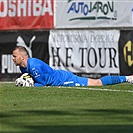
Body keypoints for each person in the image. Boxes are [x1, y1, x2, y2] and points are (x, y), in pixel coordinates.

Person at [12, 46, 133, 87]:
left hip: (63, 80)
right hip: (58, 78)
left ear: (22, 57)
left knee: (96, 83)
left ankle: (128, 78)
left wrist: (30, 85)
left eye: (14, 56)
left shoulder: (33, 66)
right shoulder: (23, 66)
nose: (13, 58)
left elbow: (42, 84)